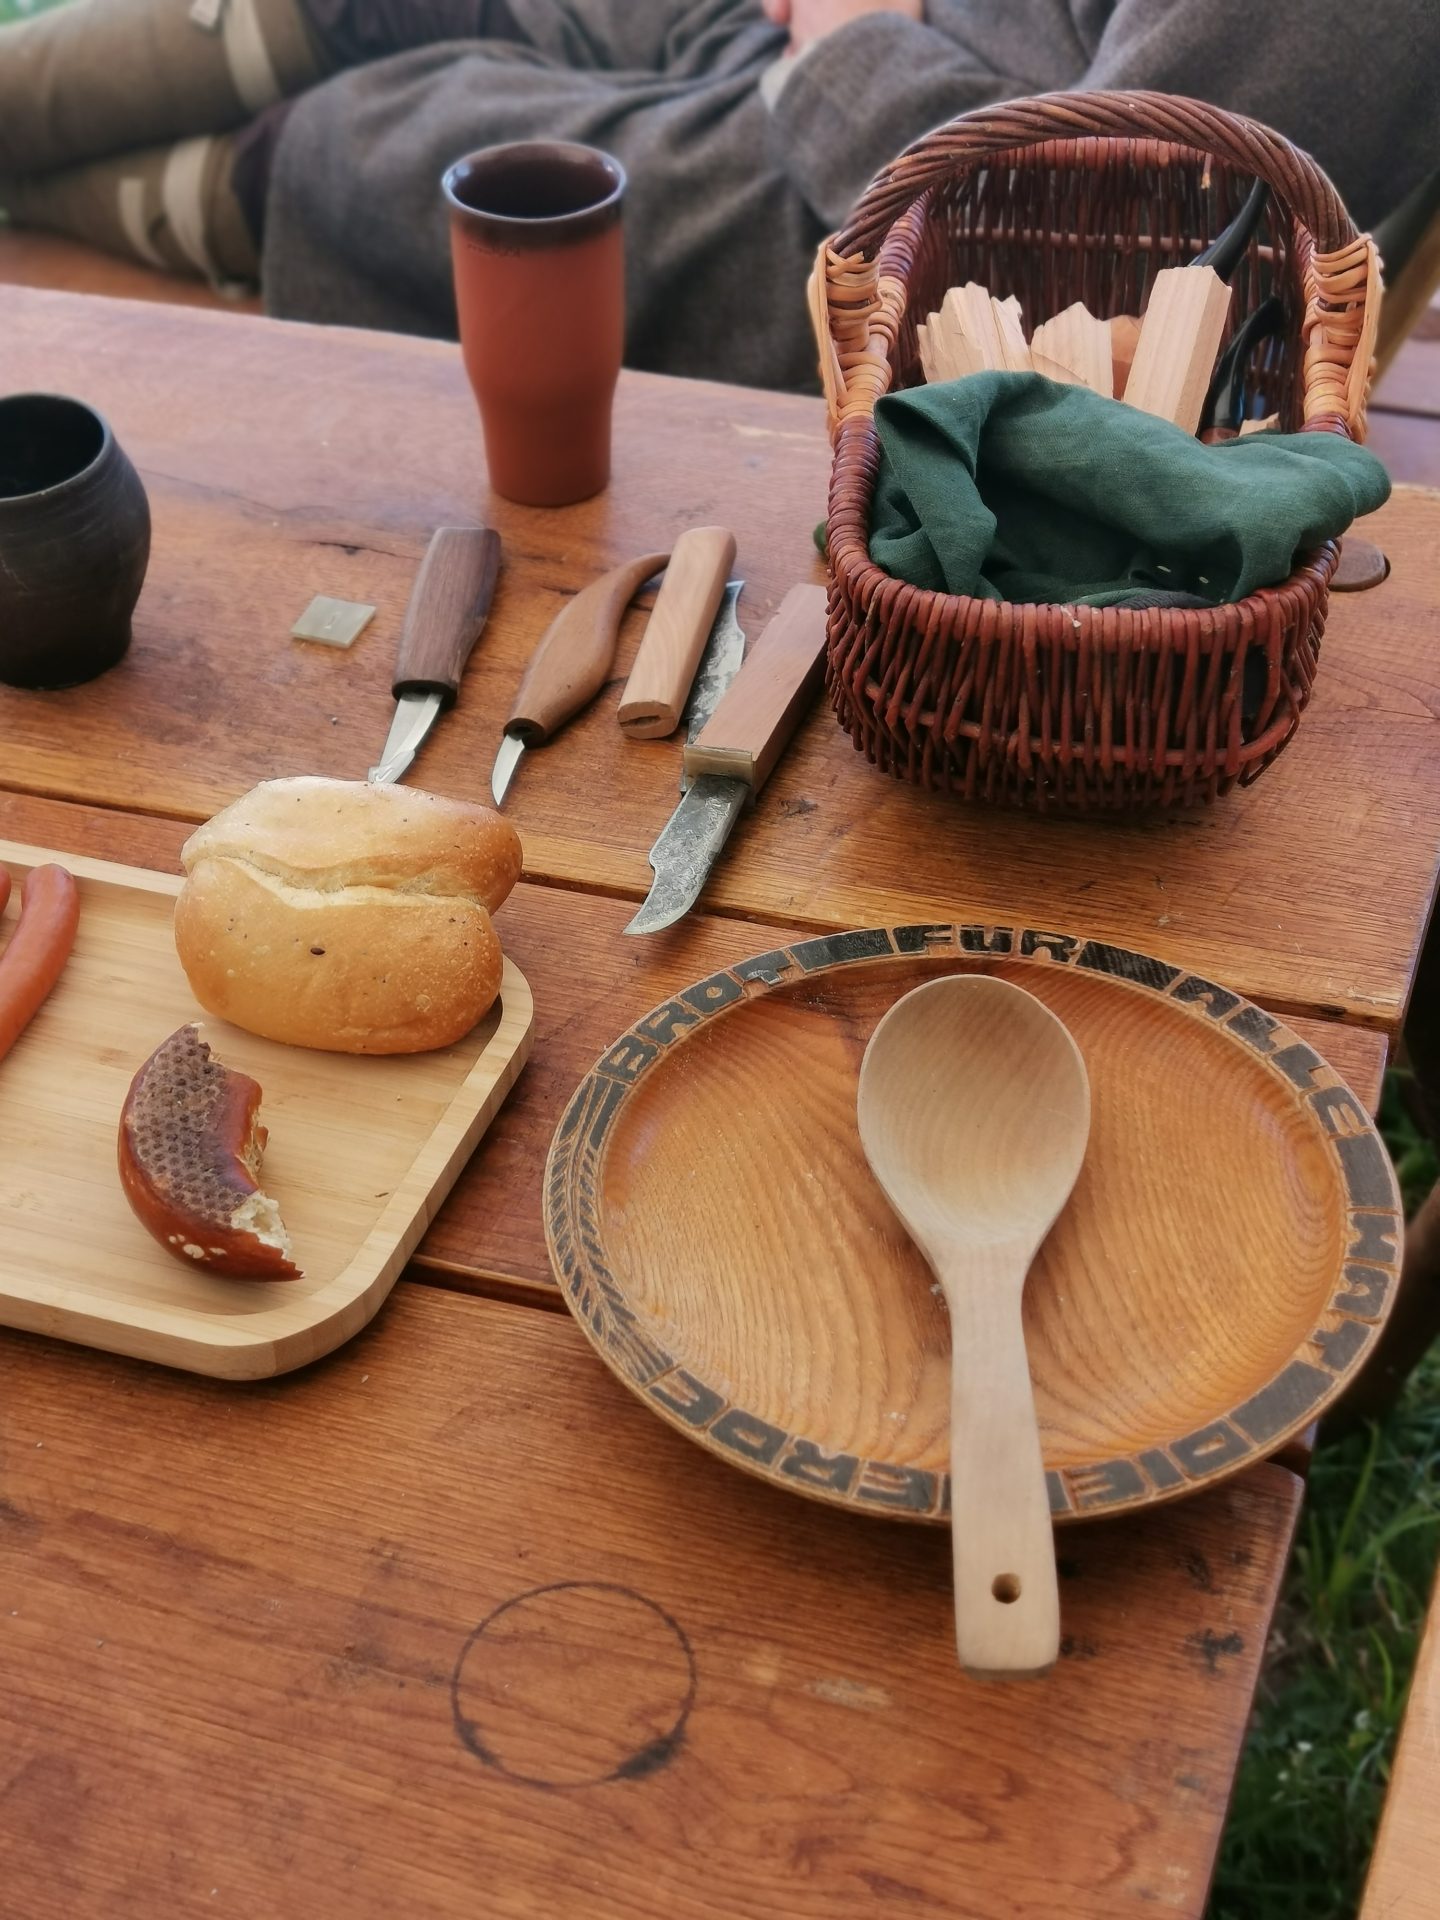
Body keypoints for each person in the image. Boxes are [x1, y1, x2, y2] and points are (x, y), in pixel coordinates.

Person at [0, 0, 1435, 391]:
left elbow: (1120, 250)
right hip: (888, 61)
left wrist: (847, 39)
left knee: (409, 147)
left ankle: (145, 187)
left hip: (894, 247)